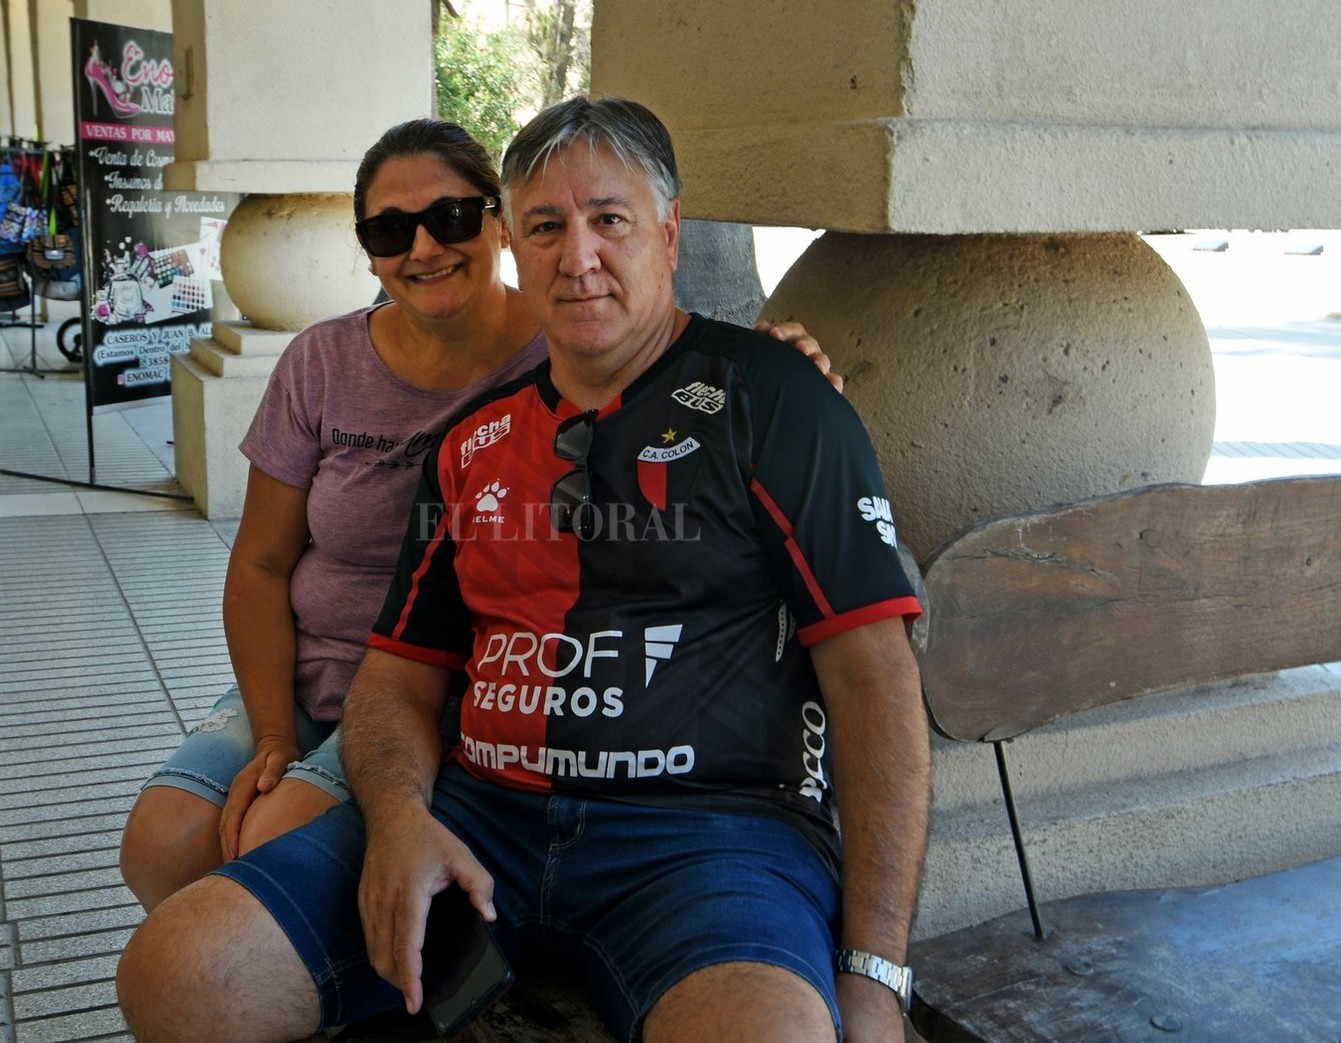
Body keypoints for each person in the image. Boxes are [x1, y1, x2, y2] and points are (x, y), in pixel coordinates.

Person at [117, 96, 927, 1043]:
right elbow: (398, 672)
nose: (576, 256)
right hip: (477, 816)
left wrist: (875, 976)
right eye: (546, 225)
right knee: (176, 974)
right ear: (518, 243)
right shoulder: (470, 441)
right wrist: (398, 818)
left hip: (707, 841)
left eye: (609, 220)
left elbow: (874, 678)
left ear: (668, 231)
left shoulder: (774, 401)